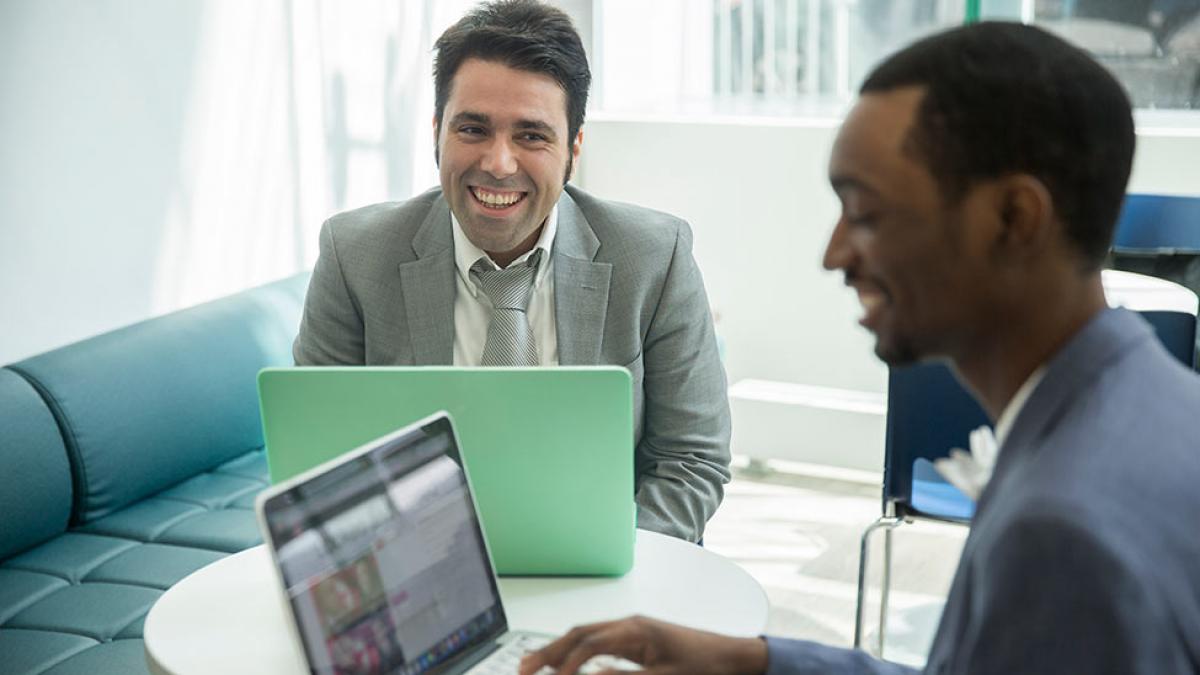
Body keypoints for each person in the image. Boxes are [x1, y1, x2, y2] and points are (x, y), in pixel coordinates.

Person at [520, 21, 1200, 675]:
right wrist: (754, 661)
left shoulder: (1062, 536)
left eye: (867, 213)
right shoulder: (1150, 402)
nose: (834, 254)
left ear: (1016, 218)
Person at [292, 0, 730, 542]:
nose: (499, 163)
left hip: (606, 562)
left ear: (573, 148)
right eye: (473, 129)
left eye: (532, 135)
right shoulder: (353, 255)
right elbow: (323, 458)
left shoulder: (654, 257)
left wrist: (617, 564)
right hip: (418, 561)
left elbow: (691, 459)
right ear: (437, 133)